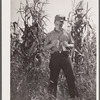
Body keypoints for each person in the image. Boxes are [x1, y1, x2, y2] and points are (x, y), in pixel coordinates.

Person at [44, 15, 78, 100]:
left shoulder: (67, 33)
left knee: (70, 77)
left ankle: (72, 97)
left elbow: (73, 45)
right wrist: (52, 44)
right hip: (55, 57)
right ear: (54, 22)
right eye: (57, 24)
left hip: (65, 56)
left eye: (61, 24)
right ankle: (52, 98)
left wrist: (67, 45)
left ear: (63, 23)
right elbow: (44, 47)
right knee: (53, 79)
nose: (59, 26)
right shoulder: (49, 34)